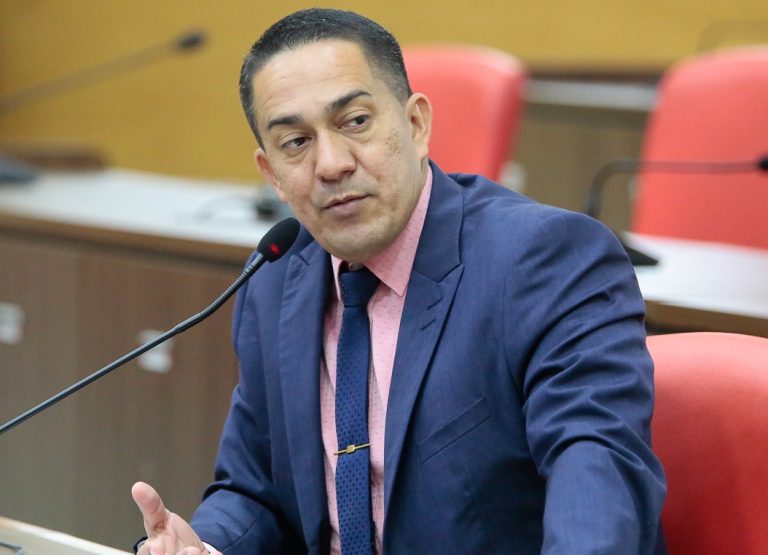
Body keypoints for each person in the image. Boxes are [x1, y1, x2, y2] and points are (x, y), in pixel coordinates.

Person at [131, 8, 666, 555]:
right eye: (296, 142)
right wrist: (208, 547)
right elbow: (255, 489)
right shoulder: (274, 280)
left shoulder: (546, 260)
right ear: (272, 175)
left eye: (355, 121)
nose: (331, 164)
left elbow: (598, 483)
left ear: (415, 125)